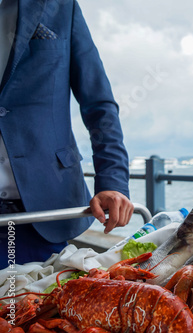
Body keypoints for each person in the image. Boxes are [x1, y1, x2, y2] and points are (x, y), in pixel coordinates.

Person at [0, 0, 134, 268]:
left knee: (35, 306)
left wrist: (112, 183)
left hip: (45, 209)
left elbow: (98, 105)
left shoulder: (61, 6)